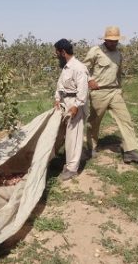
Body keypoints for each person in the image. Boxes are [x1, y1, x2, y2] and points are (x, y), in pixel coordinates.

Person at [82, 26, 138, 164]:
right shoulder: (96, 51)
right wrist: (90, 80)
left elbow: (118, 73)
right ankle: (92, 147)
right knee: (94, 122)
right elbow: (83, 68)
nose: (113, 43)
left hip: (114, 91)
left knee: (126, 119)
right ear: (105, 39)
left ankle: (130, 152)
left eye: (115, 41)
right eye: (110, 41)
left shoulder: (118, 54)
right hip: (99, 92)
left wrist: (120, 88)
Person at [54, 39, 89, 181]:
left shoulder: (79, 67)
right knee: (64, 135)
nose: (56, 56)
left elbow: (83, 90)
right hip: (65, 102)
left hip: (75, 104)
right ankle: (65, 162)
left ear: (63, 52)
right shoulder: (66, 67)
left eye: (57, 53)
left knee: (73, 137)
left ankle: (72, 169)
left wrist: (76, 106)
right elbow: (61, 86)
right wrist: (57, 99)